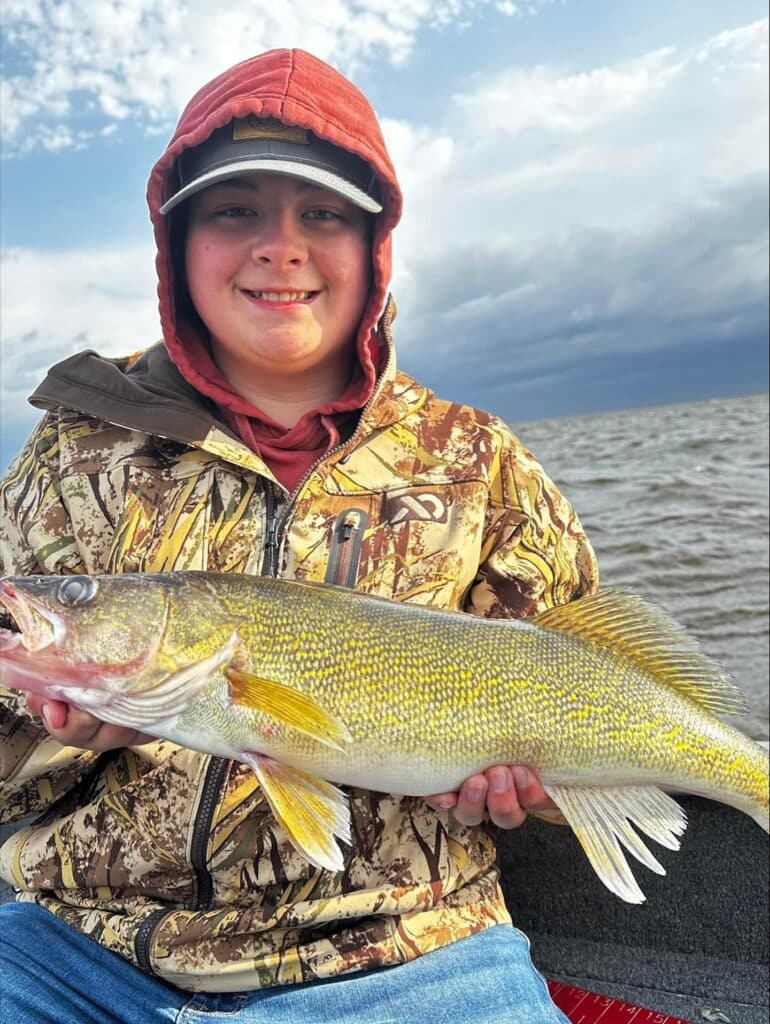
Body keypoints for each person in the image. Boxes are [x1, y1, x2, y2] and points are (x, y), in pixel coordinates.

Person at [0, 48, 598, 1023]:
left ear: (373, 248)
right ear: (176, 244)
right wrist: (50, 732)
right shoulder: (73, 441)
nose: (280, 246)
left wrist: (534, 789)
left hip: (417, 951)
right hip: (73, 946)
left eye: (321, 213)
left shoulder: (477, 457)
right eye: (234, 210)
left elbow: (589, 683)